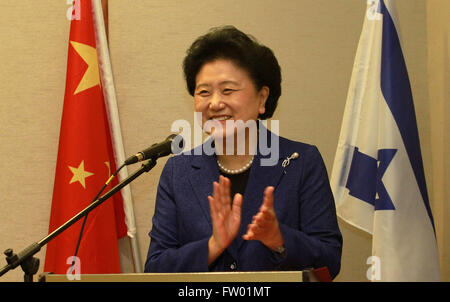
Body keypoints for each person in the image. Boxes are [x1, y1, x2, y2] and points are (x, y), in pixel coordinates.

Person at [144, 26, 342, 278]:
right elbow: (155, 268)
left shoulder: (301, 162)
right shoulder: (178, 171)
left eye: (228, 90)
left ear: (262, 99)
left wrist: (279, 239)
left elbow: (330, 262)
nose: (215, 103)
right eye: (203, 92)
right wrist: (213, 246)